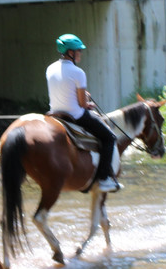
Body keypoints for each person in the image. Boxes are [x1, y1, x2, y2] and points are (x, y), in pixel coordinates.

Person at [46, 33, 120, 193]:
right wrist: (88, 103)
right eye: (78, 51)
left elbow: (61, 90)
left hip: (55, 114)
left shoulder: (50, 68)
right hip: (75, 115)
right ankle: (104, 179)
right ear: (70, 53)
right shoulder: (78, 72)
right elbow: (81, 104)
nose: (80, 53)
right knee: (109, 138)